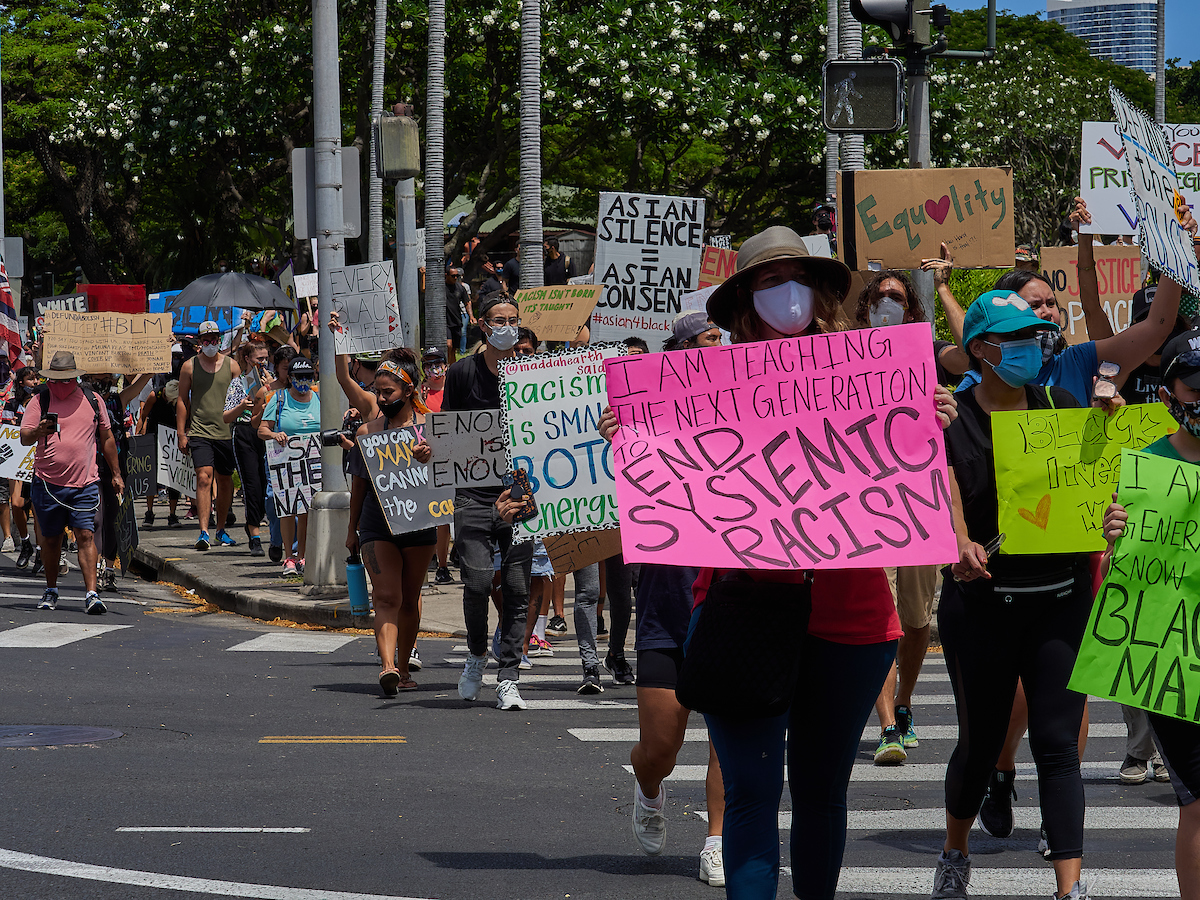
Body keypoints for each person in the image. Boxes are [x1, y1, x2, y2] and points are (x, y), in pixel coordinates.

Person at [599, 226, 955, 900]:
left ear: (820, 292)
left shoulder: (875, 374)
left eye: (797, 279)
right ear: (743, 304)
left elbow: (901, 471)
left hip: (850, 620)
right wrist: (633, 438)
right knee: (754, 797)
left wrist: (931, 419)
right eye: (768, 282)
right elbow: (672, 491)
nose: (786, 295)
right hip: (742, 612)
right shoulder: (700, 387)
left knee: (822, 794)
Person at [931, 283, 1142, 900]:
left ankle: (1068, 888)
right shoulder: (953, 417)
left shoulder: (1063, 406)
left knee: (1057, 743)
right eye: (1014, 340)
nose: (1028, 349)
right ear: (980, 349)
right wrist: (960, 545)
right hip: (982, 607)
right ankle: (954, 849)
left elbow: (1101, 487)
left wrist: (1110, 511)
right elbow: (943, 492)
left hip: (1060, 600)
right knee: (981, 740)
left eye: (1034, 338)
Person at [1101, 327, 1200, 900]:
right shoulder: (1145, 467)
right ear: (1168, 397)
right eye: (1196, 386)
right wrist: (1116, 537)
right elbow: (1133, 573)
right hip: (1175, 659)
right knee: (1199, 801)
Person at [443, 291, 535, 710]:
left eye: (513, 319)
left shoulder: (533, 374)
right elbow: (446, 430)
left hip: (520, 496)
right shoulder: (462, 373)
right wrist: (432, 454)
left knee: (517, 590)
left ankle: (509, 675)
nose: (508, 326)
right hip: (474, 496)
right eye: (499, 320)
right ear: (484, 325)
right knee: (478, 582)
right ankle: (478, 653)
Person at [347, 353, 437, 695]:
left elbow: (448, 475)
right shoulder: (367, 433)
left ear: (408, 388)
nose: (382, 398)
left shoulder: (431, 427)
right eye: (378, 392)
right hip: (376, 525)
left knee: (409, 598)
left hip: (420, 524)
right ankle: (387, 667)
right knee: (386, 596)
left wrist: (431, 456)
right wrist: (350, 530)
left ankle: (403, 666)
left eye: (388, 392)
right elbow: (358, 484)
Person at [19, 351, 123, 615]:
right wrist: (38, 431)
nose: (62, 385)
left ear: (76, 378)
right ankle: (51, 589)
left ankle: (91, 594)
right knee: (52, 541)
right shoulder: (39, 400)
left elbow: (107, 438)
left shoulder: (93, 400)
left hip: (85, 483)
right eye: (57, 380)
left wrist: (116, 473)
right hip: (48, 484)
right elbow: (24, 437)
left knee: (86, 535)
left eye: (67, 380)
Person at [177, 320, 241, 551]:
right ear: (199, 342)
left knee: (225, 481)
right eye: (206, 340)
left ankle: (220, 529)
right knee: (204, 478)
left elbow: (239, 400)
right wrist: (181, 432)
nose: (211, 343)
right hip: (199, 431)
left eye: (214, 339)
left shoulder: (232, 366)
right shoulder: (189, 366)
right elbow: (183, 400)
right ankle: (203, 531)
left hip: (226, 433)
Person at [258, 355, 320, 576]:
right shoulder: (279, 398)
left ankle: (302, 555)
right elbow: (262, 430)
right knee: (287, 509)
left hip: (312, 463)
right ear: (290, 378)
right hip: (285, 462)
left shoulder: (320, 398)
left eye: (308, 377)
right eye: (299, 377)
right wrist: (275, 434)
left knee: (306, 511)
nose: (303, 381)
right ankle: (288, 557)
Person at [89, 371, 152, 590]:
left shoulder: (117, 401)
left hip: (116, 467)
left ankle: (109, 569)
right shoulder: (84, 401)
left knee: (114, 518)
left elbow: (141, 383)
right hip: (90, 467)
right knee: (96, 519)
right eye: (101, 379)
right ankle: (95, 568)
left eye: (108, 379)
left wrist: (153, 364)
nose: (105, 383)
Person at [229, 339, 270, 557]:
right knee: (252, 485)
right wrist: (242, 406)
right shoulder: (238, 383)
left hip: (268, 432)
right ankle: (254, 536)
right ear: (247, 359)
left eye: (266, 358)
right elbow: (226, 415)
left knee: (267, 486)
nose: (263, 363)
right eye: (259, 359)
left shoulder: (272, 380)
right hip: (245, 432)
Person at [4, 365, 39, 565]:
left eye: (36, 379)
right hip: (18, 458)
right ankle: (26, 543)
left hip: (39, 459)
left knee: (38, 506)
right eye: (30, 379)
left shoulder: (44, 402)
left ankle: (42, 551)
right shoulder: (11, 404)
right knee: (16, 503)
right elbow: (8, 430)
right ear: (20, 382)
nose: (34, 383)